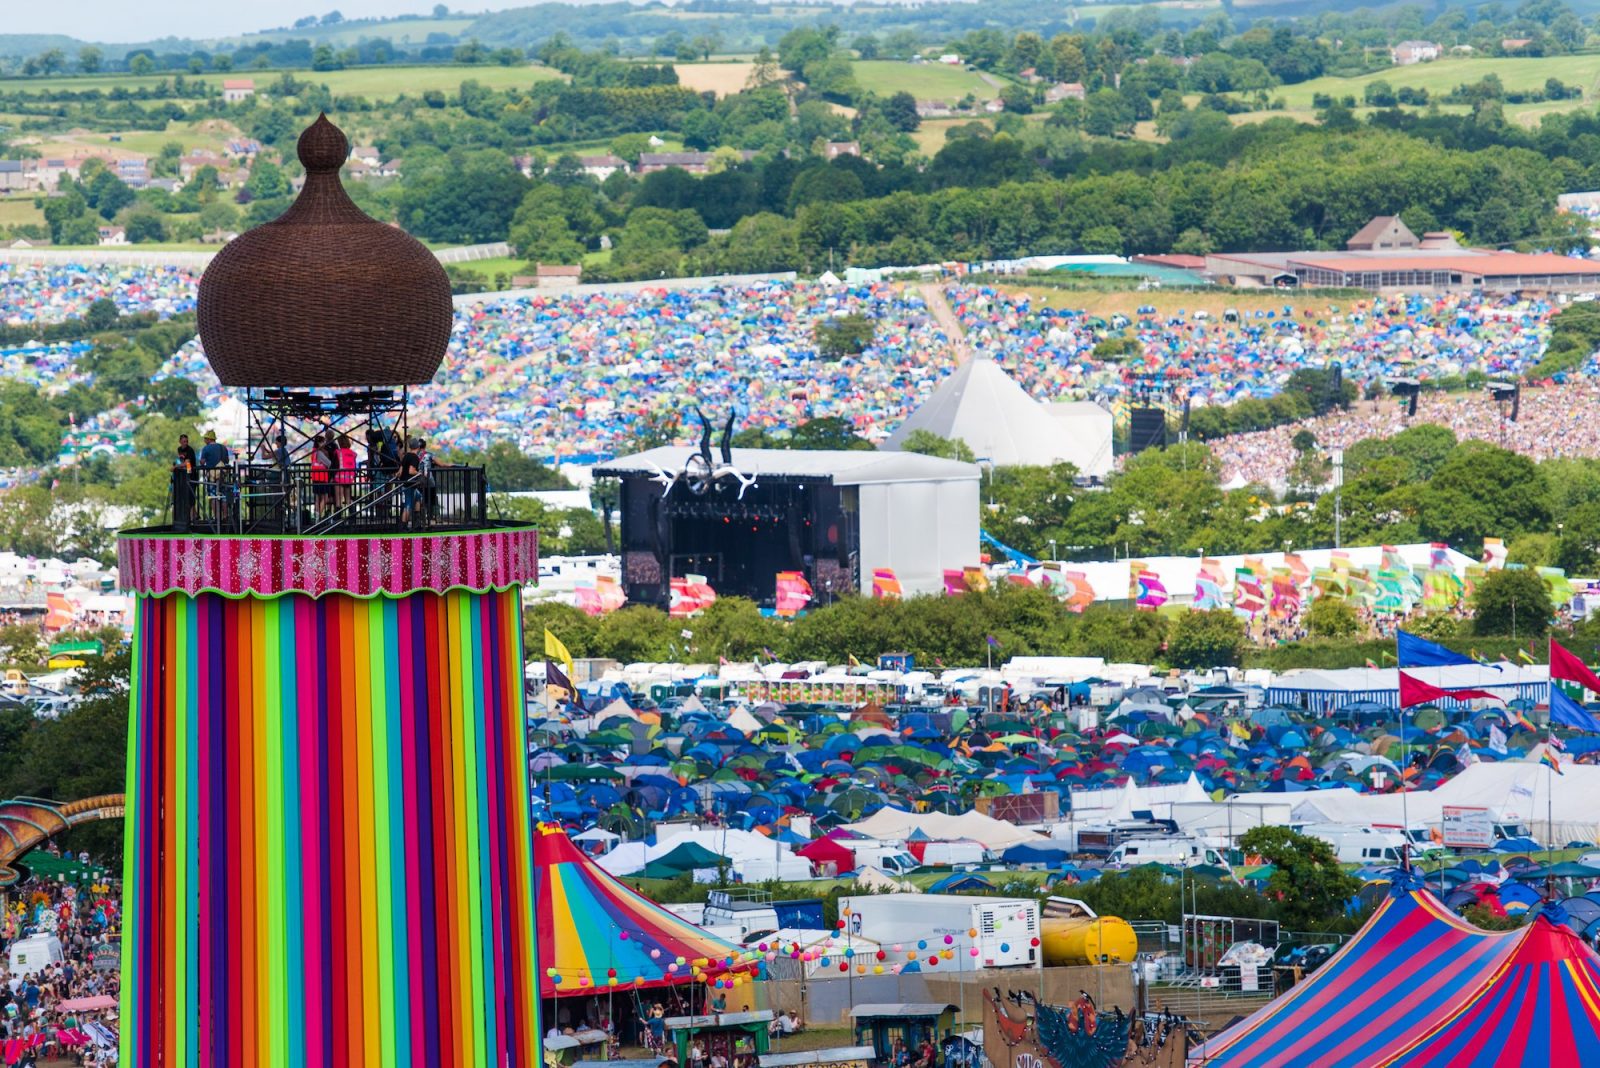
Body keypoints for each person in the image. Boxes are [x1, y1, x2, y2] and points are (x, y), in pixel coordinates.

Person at [198, 430, 232, 524]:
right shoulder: (223, 448)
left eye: (205, 438)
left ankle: (217, 518)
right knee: (224, 496)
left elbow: (202, 462)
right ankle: (225, 516)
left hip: (212, 477)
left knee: (213, 497)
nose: (204, 440)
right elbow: (227, 461)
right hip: (223, 476)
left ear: (209, 439)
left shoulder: (206, 448)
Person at [310, 433, 333, 519]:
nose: (324, 444)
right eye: (323, 442)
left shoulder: (314, 452)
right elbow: (329, 463)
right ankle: (318, 516)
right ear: (319, 443)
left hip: (315, 477)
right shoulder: (320, 453)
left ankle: (316, 516)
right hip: (322, 477)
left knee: (317, 498)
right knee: (325, 498)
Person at [335, 433, 358, 510]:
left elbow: (334, 465)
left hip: (339, 478)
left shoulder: (338, 452)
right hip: (349, 478)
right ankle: (352, 516)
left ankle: (338, 518)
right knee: (348, 499)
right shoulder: (353, 453)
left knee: (339, 500)